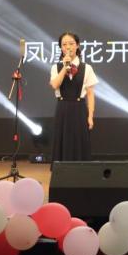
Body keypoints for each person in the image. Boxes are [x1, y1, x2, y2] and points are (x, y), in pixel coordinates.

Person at [49, 32, 97, 163]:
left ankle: (80, 172)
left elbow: (90, 94)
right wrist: (65, 68)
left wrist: (90, 116)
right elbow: (55, 85)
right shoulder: (56, 67)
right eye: (64, 44)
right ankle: (61, 172)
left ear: (77, 45)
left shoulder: (87, 68)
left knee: (79, 142)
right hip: (63, 108)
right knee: (62, 141)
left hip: (79, 108)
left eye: (71, 43)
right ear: (61, 48)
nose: (68, 47)